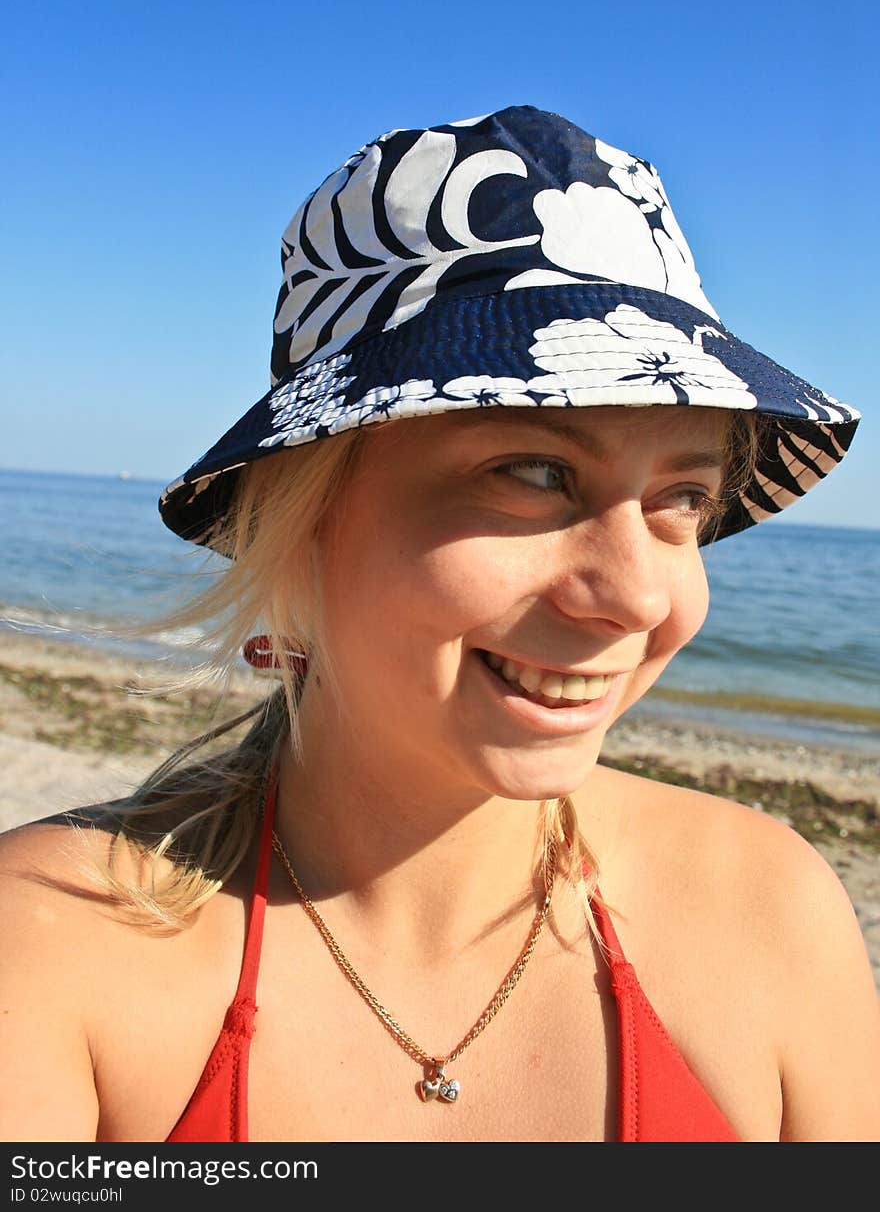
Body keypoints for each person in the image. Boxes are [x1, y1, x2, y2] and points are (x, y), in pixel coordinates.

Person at [1, 104, 878, 1144]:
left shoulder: (768, 913)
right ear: (305, 518)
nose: (640, 597)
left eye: (680, 498)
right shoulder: (58, 950)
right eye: (535, 473)